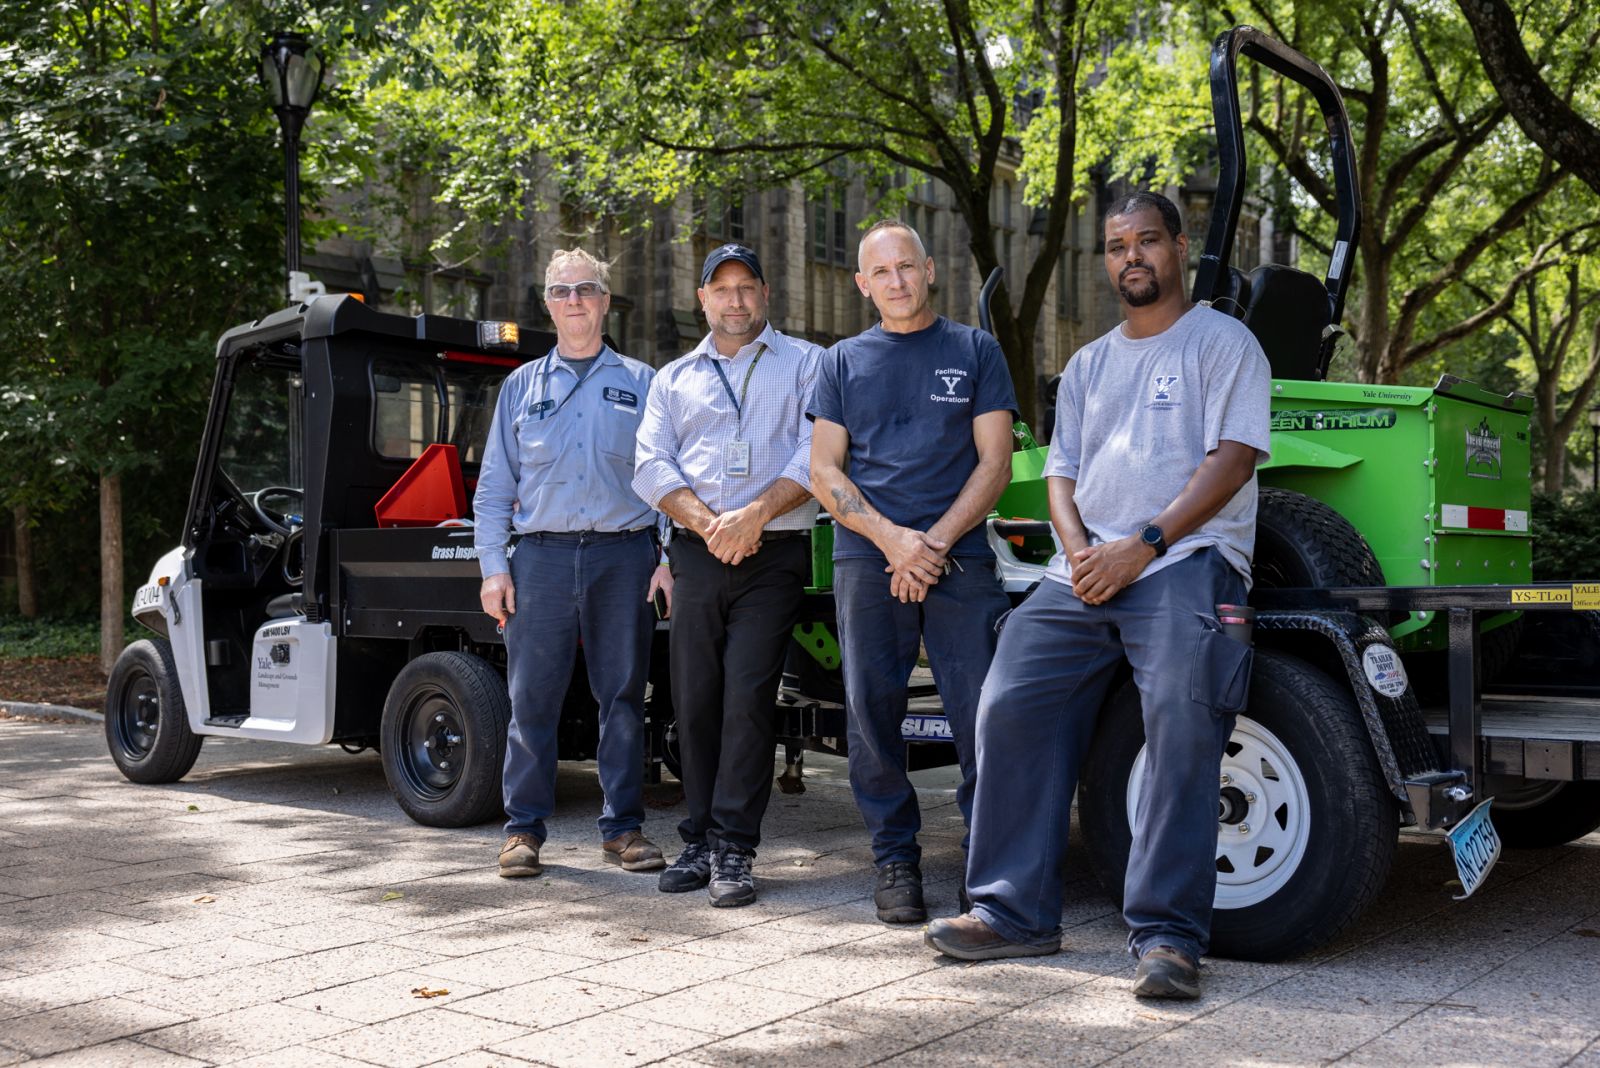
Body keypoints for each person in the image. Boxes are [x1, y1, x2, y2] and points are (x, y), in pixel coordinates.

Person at [924, 192, 1271, 1001]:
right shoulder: (1088, 363)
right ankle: (1012, 913)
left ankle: (1167, 938)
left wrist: (1142, 545)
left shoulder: (1224, 343)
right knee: (1009, 700)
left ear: (1180, 248)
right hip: (1081, 570)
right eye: (1118, 246)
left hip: (1184, 558)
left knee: (1184, 716)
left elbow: (1232, 461)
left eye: (1148, 241)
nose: (1133, 257)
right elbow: (1060, 471)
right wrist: (1079, 551)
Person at [808, 220, 1017, 925]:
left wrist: (932, 544)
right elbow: (822, 470)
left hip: (960, 556)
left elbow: (995, 462)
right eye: (881, 272)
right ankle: (895, 858)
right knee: (872, 711)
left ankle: (984, 862)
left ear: (930, 270)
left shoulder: (974, 349)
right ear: (862, 284)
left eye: (907, 267)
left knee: (981, 711)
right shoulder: (840, 363)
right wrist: (894, 541)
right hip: (869, 555)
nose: (896, 281)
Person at [632, 243, 823, 908]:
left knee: (747, 699)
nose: (735, 299)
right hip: (696, 552)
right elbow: (652, 465)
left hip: (772, 554)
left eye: (747, 286)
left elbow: (815, 454)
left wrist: (751, 518)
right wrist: (711, 524)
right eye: (722, 288)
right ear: (703, 299)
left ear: (764, 294)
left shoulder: (806, 363)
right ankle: (700, 839)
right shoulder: (674, 378)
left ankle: (735, 848)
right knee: (695, 700)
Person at [475, 247, 667, 879]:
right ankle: (522, 831)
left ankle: (622, 829)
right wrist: (492, 568)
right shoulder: (520, 386)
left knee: (621, 698)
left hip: (624, 556)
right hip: (541, 559)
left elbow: (666, 476)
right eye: (562, 291)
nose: (575, 300)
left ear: (606, 301)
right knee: (532, 699)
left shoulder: (643, 383)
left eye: (587, 289)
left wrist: (665, 558)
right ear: (547, 304)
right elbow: (496, 486)